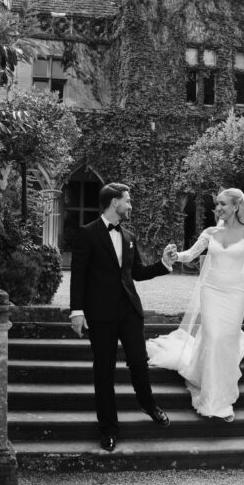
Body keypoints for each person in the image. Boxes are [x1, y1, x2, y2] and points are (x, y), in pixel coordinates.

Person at [69, 182, 176, 452]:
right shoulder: (87, 233)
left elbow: (136, 272)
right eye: (127, 201)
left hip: (129, 311)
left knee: (139, 361)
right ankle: (108, 428)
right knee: (104, 371)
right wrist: (77, 311)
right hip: (100, 314)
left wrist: (163, 264)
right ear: (114, 202)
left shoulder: (129, 236)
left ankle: (148, 404)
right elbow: (78, 275)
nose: (130, 205)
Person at [146, 188, 244, 421]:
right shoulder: (210, 232)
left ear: (236, 206)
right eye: (217, 204)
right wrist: (174, 256)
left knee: (225, 341)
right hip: (211, 291)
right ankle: (213, 400)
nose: (218, 208)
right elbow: (190, 255)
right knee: (214, 337)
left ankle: (220, 389)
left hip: (236, 295)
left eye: (223, 204)